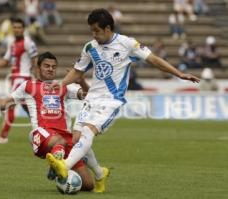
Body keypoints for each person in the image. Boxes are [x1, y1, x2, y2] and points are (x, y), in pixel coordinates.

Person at [46, 8, 200, 192]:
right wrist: (62, 84)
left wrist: (179, 74)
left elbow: (154, 60)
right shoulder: (90, 47)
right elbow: (78, 71)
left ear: (108, 28)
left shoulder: (127, 44)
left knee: (88, 132)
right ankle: (100, 174)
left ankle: (65, 166)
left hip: (111, 100)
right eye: (91, 31)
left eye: (96, 30)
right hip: (92, 98)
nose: (93, 35)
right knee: (77, 138)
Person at [0, 52, 107, 191]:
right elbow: (2, 104)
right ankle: (57, 164)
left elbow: (89, 96)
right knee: (59, 142)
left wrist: (81, 81)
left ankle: (58, 171)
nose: (50, 69)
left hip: (65, 137)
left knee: (88, 185)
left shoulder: (63, 86)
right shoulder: (28, 86)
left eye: (53, 66)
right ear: (38, 68)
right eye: (46, 66)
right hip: (42, 134)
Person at [0, 18, 38, 144]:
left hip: (22, 78)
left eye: (19, 27)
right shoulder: (12, 43)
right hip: (15, 78)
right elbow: (6, 60)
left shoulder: (28, 43)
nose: (17, 29)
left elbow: (35, 60)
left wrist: (37, 77)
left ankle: (3, 137)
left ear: (23, 29)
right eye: (15, 27)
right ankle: (43, 131)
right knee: (28, 108)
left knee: (9, 105)